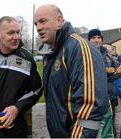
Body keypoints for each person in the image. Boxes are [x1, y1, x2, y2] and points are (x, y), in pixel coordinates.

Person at [34, 4, 113, 138]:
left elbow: (89, 107)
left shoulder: (79, 48)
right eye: (36, 24)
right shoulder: (52, 53)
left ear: (59, 21)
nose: (38, 28)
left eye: (43, 21)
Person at [88, 29, 118, 128]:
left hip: (110, 96)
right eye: (93, 38)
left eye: (99, 37)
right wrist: (103, 70)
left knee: (109, 126)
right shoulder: (85, 54)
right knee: (93, 127)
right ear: (89, 40)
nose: (96, 40)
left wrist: (114, 71)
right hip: (92, 97)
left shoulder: (108, 55)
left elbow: (117, 69)